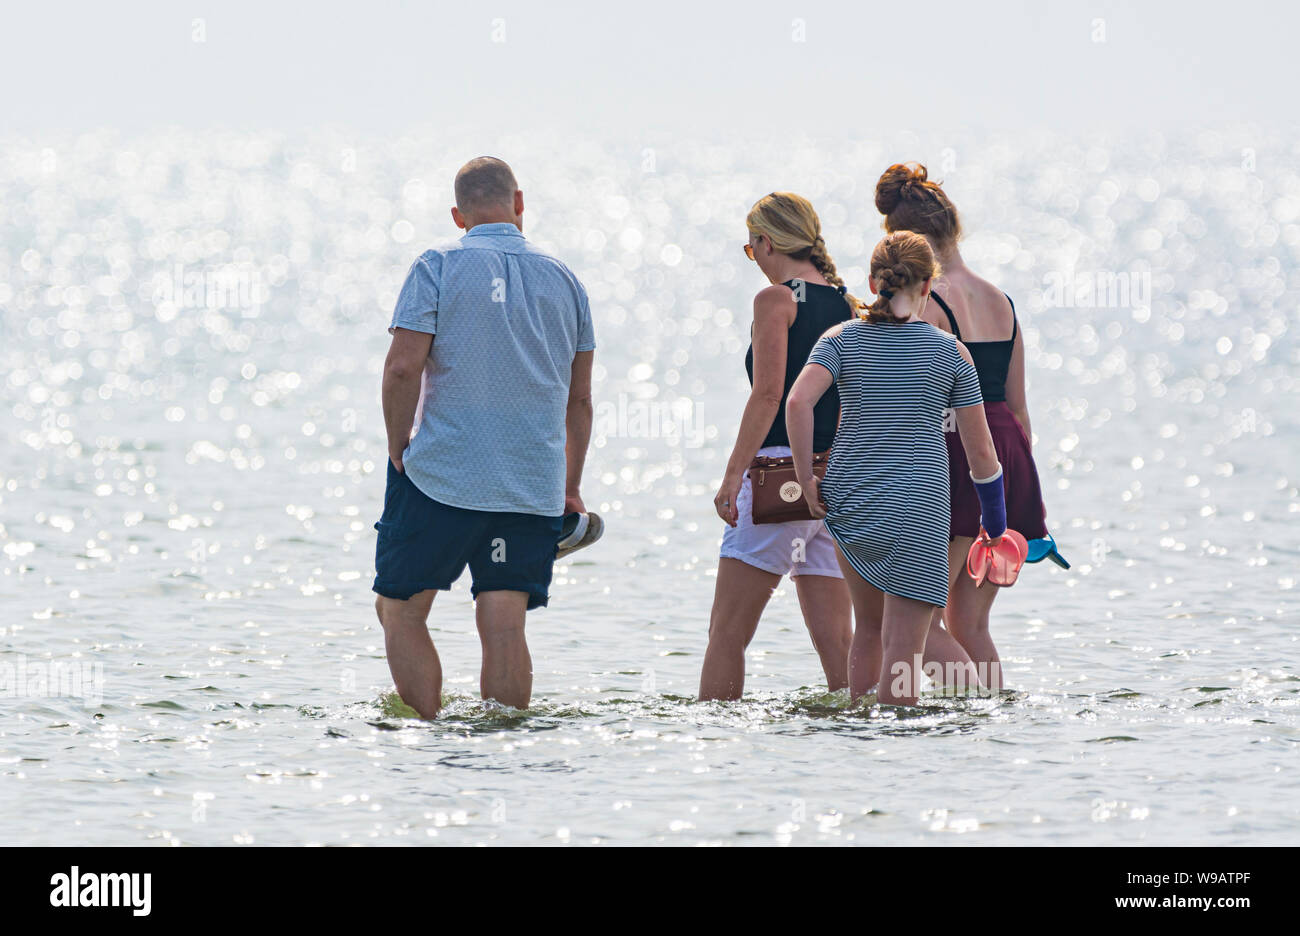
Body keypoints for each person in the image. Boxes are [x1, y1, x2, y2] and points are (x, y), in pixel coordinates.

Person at [373, 156, 595, 718]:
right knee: (504, 622)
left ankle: (427, 732)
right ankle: (503, 746)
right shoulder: (567, 279)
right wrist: (569, 487)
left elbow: (402, 368)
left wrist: (398, 445)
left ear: (457, 215)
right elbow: (579, 398)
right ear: (519, 202)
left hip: (441, 475)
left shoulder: (436, 265)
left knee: (401, 610)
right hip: (530, 482)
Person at [785, 232, 1008, 705]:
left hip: (851, 505)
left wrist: (806, 479)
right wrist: (995, 521)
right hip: (917, 512)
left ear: (871, 281)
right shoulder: (950, 352)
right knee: (904, 650)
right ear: (929, 285)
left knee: (867, 628)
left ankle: (860, 730)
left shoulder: (841, 338)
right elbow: (982, 455)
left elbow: (798, 401)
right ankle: (899, 756)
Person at [875, 163, 1048, 690]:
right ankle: (992, 711)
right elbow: (1019, 413)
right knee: (970, 619)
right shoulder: (1002, 302)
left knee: (920, 620)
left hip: (955, 456)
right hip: (1007, 457)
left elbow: (910, 409)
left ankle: (968, 698)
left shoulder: (927, 304)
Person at [698, 193, 854, 701]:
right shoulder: (849, 304)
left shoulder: (776, 300)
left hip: (776, 482)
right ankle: (864, 746)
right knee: (841, 653)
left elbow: (769, 395)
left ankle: (714, 738)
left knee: (727, 633)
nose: (755, 261)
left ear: (767, 242)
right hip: (834, 486)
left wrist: (730, 477)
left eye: (751, 250)